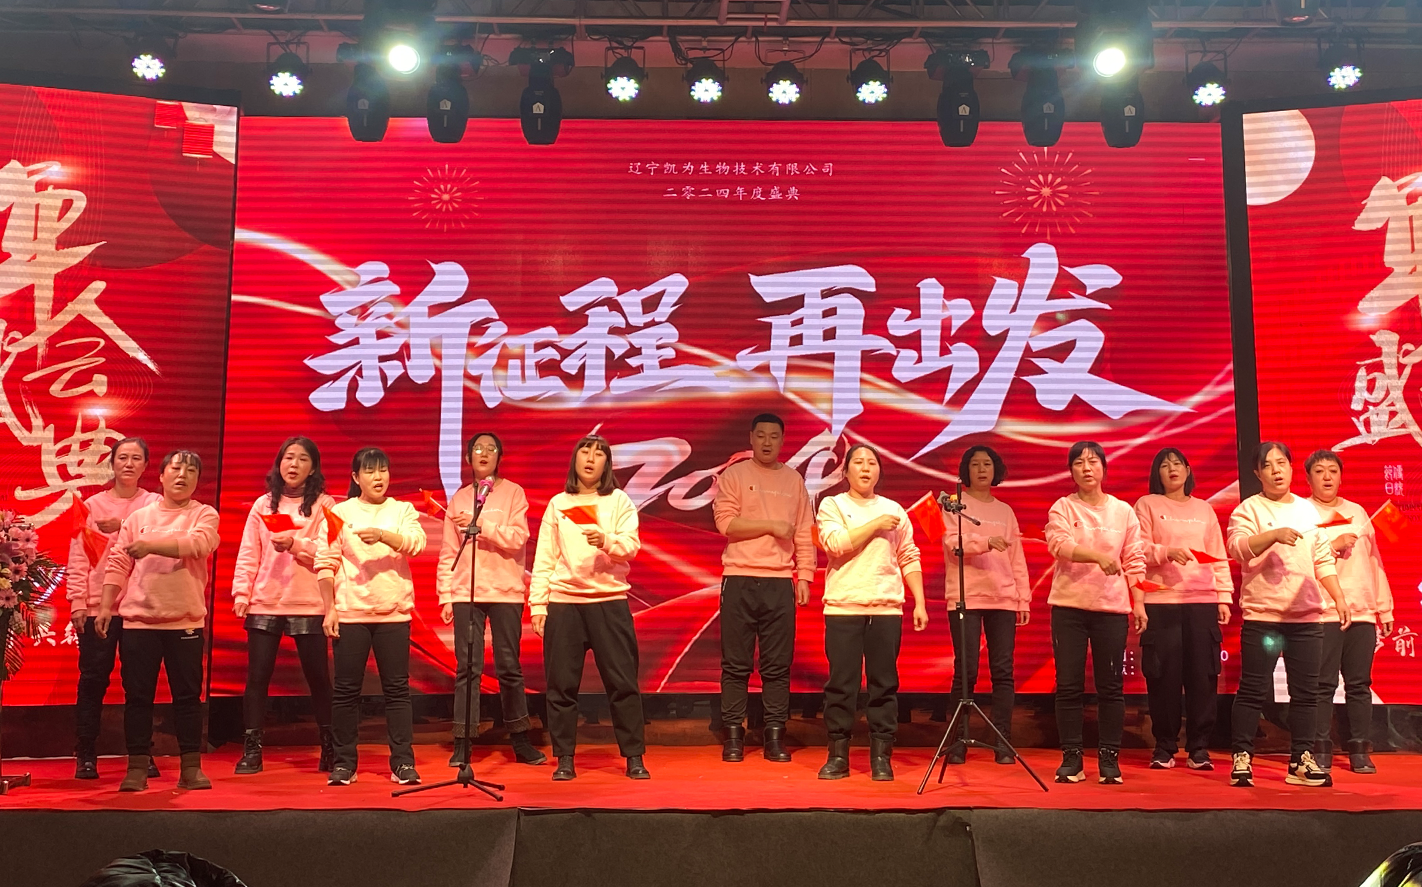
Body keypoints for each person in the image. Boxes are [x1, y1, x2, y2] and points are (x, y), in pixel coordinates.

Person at [1227, 441, 1350, 789]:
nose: (1276, 470)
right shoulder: (1248, 509)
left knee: (1306, 693)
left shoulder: (1307, 510)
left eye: (1281, 463)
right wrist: (1273, 536)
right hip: (1264, 618)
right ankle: (1242, 757)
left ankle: (1301, 761)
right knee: (1253, 689)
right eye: (1268, 465)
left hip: (1307, 619)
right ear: (1257, 473)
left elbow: (1322, 559)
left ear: (1291, 468)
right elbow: (1237, 549)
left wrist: (1339, 597)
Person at [95, 450, 220, 792]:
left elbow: (199, 544)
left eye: (191, 471)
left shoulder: (204, 514)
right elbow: (118, 563)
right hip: (139, 622)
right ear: (161, 476)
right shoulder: (138, 518)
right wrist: (105, 606)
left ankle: (191, 768)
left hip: (185, 621)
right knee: (138, 698)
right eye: (176, 469)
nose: (183, 475)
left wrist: (151, 545)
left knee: (188, 697)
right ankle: (137, 767)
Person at [530, 435, 648, 781]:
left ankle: (634, 757)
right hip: (565, 604)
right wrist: (538, 605)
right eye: (585, 452)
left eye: (599, 454)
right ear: (575, 460)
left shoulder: (619, 500)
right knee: (562, 686)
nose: (590, 459)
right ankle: (565, 758)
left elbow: (631, 546)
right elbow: (545, 558)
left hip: (609, 602)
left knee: (623, 684)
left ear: (607, 463)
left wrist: (606, 541)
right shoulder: (558, 503)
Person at [814, 444, 927, 781]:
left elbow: (909, 555)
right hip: (843, 607)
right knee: (841, 685)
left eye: (872, 463)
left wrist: (919, 601)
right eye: (859, 462)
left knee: (884, 684)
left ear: (879, 470)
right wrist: (876, 524)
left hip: (886, 608)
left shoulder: (895, 509)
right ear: (846, 470)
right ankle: (838, 756)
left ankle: (881, 756)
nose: (865, 468)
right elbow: (835, 544)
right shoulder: (833, 504)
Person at [317, 447, 427, 787]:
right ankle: (344, 763)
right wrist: (329, 608)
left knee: (397, 690)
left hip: (393, 613)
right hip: (351, 612)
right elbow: (326, 561)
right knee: (346, 691)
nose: (378, 477)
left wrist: (382, 535)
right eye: (369, 471)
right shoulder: (339, 512)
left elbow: (416, 543)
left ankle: (403, 763)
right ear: (356, 477)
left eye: (383, 470)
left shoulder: (401, 509)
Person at [437, 432, 546, 768]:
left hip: (504, 591)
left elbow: (517, 538)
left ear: (500, 457)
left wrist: (481, 524)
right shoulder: (459, 499)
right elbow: (448, 552)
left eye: (491, 449)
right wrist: (445, 595)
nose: (483, 454)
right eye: (477, 449)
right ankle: (463, 742)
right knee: (467, 668)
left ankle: (520, 739)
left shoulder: (513, 493)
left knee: (508, 666)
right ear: (468, 458)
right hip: (466, 592)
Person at [712, 413, 815, 763]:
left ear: (783, 441)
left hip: (780, 580)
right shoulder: (735, 475)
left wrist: (805, 576)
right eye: (761, 435)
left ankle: (774, 736)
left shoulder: (794, 480)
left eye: (774, 436)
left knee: (777, 666)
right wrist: (771, 525)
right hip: (739, 578)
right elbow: (726, 523)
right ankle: (733, 736)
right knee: (735, 664)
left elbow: (804, 531)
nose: (767, 442)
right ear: (751, 438)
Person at [230, 436, 336, 775]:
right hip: (266, 600)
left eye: (303, 459)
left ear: (313, 468)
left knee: (318, 678)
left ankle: (330, 747)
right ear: (279, 463)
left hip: (309, 601)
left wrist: (294, 544)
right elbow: (249, 552)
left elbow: (328, 552)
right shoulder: (263, 505)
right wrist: (241, 593)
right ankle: (252, 750)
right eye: (288, 457)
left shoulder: (325, 504)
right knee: (257, 678)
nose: (294, 464)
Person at [1044, 441, 1147, 785]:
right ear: (1071, 471)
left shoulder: (1123, 511)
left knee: (1111, 686)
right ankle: (1071, 757)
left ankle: (1109, 757)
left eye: (1093, 462)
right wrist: (1098, 557)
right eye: (1079, 462)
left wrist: (1139, 602)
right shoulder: (1062, 507)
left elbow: (1135, 559)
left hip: (1111, 609)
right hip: (1069, 608)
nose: (1086, 468)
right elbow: (1059, 545)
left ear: (1104, 467)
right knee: (1068, 685)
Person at [1133, 447, 1233, 771]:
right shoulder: (1147, 504)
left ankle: (1199, 748)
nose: (1172, 469)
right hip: (1161, 601)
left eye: (1178, 464)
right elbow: (1136, 548)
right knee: (1163, 677)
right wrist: (1166, 552)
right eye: (1165, 465)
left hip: (1201, 601)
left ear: (1189, 470)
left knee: (1203, 676)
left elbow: (1217, 554)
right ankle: (1164, 746)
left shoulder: (1204, 509)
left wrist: (1223, 595)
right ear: (1157, 473)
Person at [67, 437, 161, 780]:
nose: (129, 464)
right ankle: (85, 751)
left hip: (141, 606)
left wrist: (122, 527)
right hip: (97, 606)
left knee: (139, 685)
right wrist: (77, 601)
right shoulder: (91, 505)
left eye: (136, 458)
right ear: (112, 463)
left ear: (146, 466)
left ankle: (141, 752)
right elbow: (78, 556)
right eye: (122, 457)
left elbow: (158, 538)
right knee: (93, 681)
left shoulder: (154, 503)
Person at [1306, 449, 1392, 774]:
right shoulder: (1302, 513)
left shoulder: (1357, 512)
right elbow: (1299, 562)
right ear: (1308, 478)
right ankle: (1320, 748)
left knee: (1359, 684)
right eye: (1319, 471)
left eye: (1333, 470)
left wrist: (1384, 608)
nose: (1327, 476)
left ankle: (1359, 749)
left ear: (1341, 477)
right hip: (1323, 611)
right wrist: (1332, 545)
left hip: (1362, 612)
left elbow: (1374, 562)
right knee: (1322, 684)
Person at [943, 445, 1030, 766]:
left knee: (1003, 671)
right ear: (966, 470)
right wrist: (985, 543)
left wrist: (1023, 597)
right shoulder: (955, 505)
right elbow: (952, 543)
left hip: (1003, 597)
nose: (982, 470)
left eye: (988, 464)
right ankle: (957, 742)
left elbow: (1017, 557)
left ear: (996, 471)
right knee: (965, 671)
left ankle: (1002, 741)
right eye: (976, 464)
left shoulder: (1005, 511)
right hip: (966, 595)